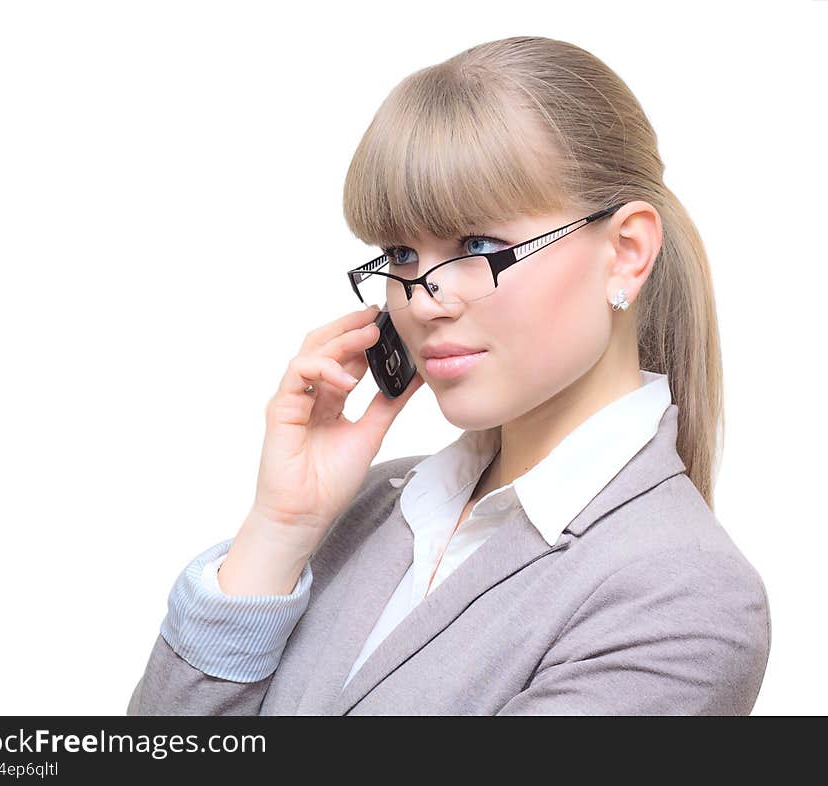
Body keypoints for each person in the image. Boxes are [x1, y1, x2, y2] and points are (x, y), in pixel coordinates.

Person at [126, 35, 770, 716]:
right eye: (401, 252)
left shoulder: (686, 597)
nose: (421, 298)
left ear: (627, 253)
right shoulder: (370, 506)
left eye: (479, 246)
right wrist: (280, 529)